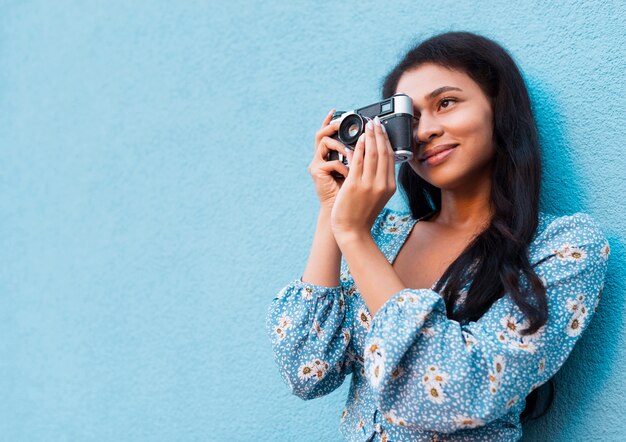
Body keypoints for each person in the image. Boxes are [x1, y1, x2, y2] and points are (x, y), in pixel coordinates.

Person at [265, 31, 610, 442]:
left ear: (498, 108)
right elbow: (307, 370)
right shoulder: (384, 235)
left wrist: (354, 235)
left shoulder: (563, 248)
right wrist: (333, 213)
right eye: (409, 119)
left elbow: (454, 394)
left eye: (446, 103)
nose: (425, 131)